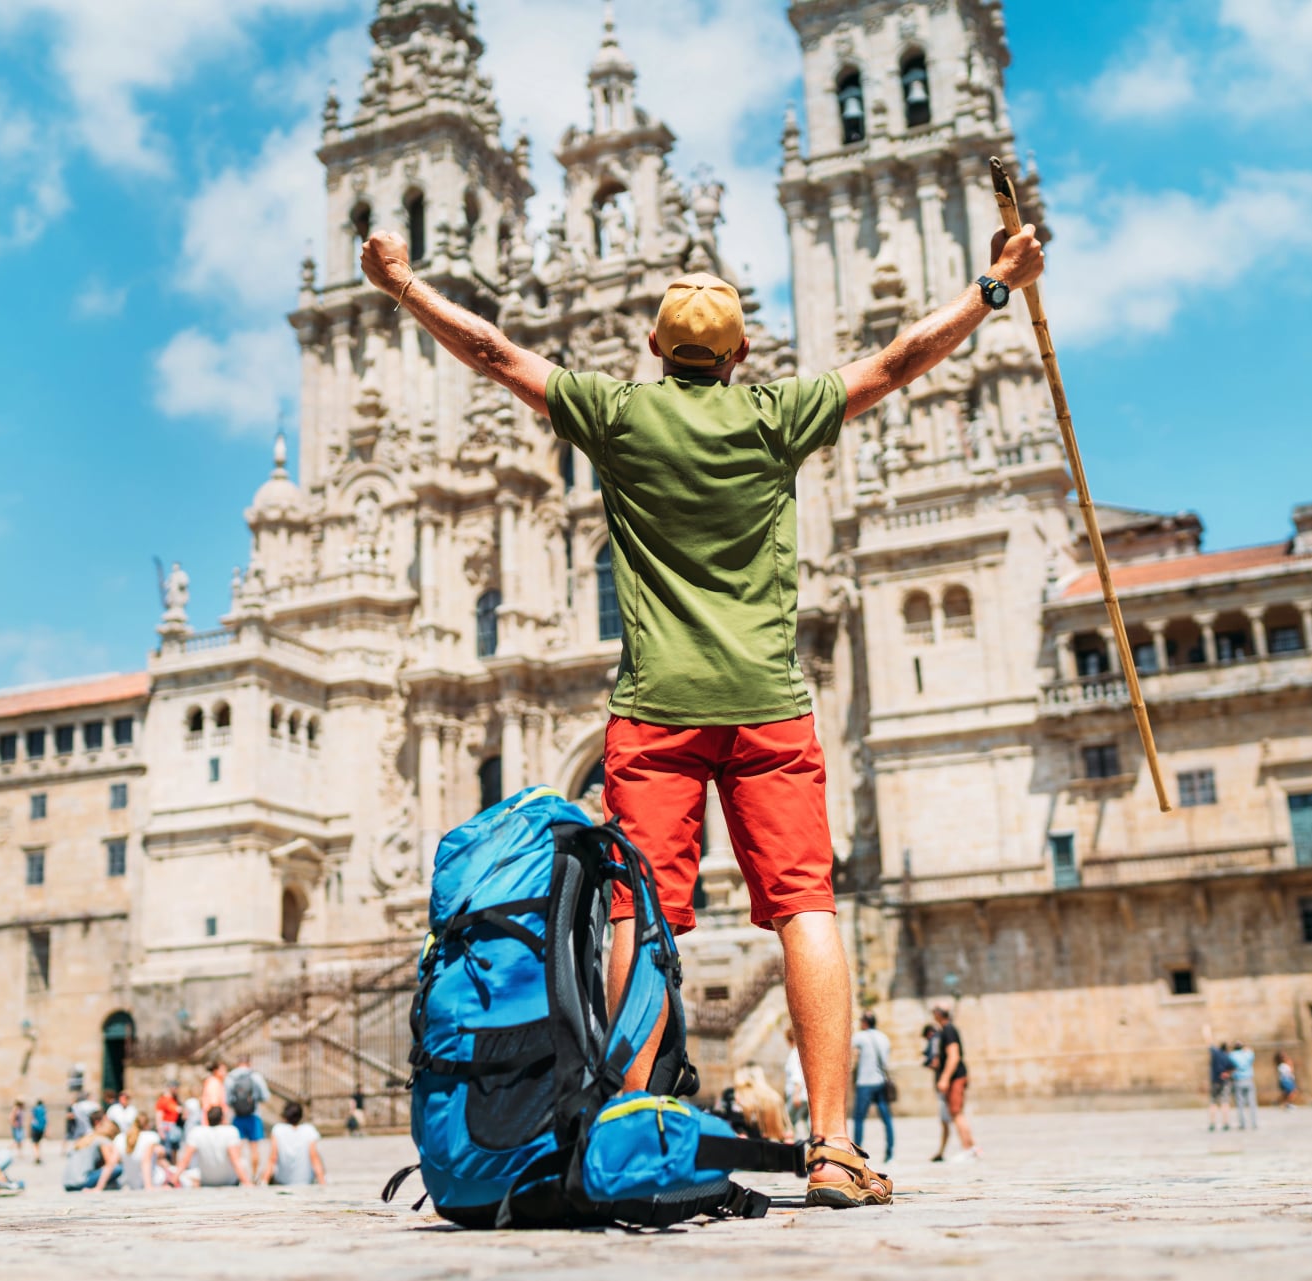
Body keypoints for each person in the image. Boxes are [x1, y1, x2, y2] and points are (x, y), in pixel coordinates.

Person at [358, 214, 1044, 1210]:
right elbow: (897, 361)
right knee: (806, 906)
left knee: (644, 914)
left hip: (653, 709)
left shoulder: (617, 417)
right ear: (743, 354)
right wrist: (994, 287)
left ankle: (625, 1129)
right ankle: (834, 1146)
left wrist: (403, 288)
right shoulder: (779, 413)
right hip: (768, 701)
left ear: (650, 348)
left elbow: (494, 351)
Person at [929, 1004, 979, 1162]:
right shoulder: (945, 1030)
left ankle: (967, 1149)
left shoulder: (948, 1030)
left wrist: (944, 1078)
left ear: (939, 1014)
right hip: (955, 1076)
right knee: (957, 1113)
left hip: (955, 1077)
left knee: (956, 1113)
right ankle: (973, 1148)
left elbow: (954, 1055)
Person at [849, 1012, 895, 1164]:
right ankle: (890, 1151)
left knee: (859, 1118)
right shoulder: (884, 1037)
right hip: (880, 1081)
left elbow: (850, 1049)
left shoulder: (861, 1037)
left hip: (865, 1082)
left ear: (864, 1023)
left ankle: (857, 1152)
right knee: (886, 1118)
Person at [174, 1106, 251, 1188]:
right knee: (244, 1161)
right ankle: (245, 1181)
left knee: (189, 1173)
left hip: (206, 1180)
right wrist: (247, 1182)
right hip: (228, 1181)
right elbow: (235, 1160)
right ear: (222, 1118)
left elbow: (185, 1160)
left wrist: (173, 1181)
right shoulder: (231, 1131)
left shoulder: (197, 1132)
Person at [225, 1057, 270, 1177]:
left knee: (237, 1148)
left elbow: (227, 1099)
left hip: (237, 1116)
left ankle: (239, 1176)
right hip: (253, 1115)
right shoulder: (255, 1076)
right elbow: (265, 1096)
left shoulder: (230, 1077)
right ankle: (254, 1176)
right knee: (254, 1148)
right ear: (249, 1063)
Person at [264, 1101, 327, 1186]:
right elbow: (314, 1157)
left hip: (283, 1180)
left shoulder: (278, 1129)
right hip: (305, 1180)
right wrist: (322, 1182)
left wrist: (264, 1181)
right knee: (318, 1155)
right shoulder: (309, 1130)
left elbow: (273, 1157)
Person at [62, 1117, 122, 1192]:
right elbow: (110, 1164)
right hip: (81, 1182)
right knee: (117, 1168)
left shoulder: (86, 1138)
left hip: (68, 1183)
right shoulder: (103, 1140)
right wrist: (99, 1187)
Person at [118, 1113, 176, 1191]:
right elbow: (146, 1161)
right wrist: (148, 1186)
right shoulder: (150, 1136)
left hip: (130, 1182)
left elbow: (111, 1163)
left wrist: (99, 1187)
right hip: (151, 1180)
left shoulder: (121, 1137)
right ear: (147, 1125)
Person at [782, 1026, 808, 1140]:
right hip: (805, 1095)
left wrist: (796, 1094)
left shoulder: (794, 1053)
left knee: (786, 1121)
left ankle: (793, 1145)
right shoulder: (804, 1053)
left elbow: (797, 1075)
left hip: (796, 1094)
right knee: (800, 1121)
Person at [1229, 1042, 1259, 1131]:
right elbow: (1251, 1052)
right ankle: (1254, 1123)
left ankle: (1243, 1124)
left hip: (1238, 1081)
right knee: (1252, 1103)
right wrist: (1246, 1048)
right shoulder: (1247, 1055)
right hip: (1249, 1080)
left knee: (1240, 1104)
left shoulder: (1232, 1055)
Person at [1207, 1041, 1235, 1131]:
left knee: (1213, 1103)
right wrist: (1226, 1073)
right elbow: (1233, 1067)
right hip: (1225, 1082)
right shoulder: (1227, 1056)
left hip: (1215, 1082)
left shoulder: (1215, 1053)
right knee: (1225, 1102)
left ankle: (1212, 1123)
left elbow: (1209, 1044)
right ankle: (1225, 1123)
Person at [28, 1099, 47, 1164]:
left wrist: (29, 1128)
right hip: (41, 1128)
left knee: (35, 1143)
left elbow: (32, 1118)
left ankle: (37, 1156)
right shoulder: (44, 1109)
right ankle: (39, 1156)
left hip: (35, 1127)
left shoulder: (35, 1109)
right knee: (38, 1143)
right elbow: (46, 1119)